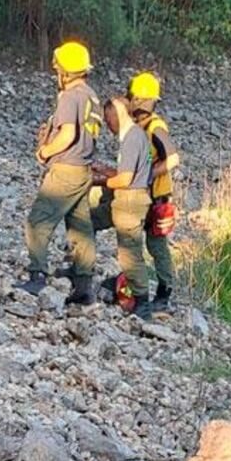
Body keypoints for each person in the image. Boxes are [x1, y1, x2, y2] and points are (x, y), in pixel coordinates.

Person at [17, 41, 103, 304]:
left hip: (66, 169)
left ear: (66, 71)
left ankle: (36, 276)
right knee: (80, 228)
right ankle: (83, 284)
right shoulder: (91, 96)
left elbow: (67, 135)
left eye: (58, 70)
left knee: (38, 220)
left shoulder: (69, 96)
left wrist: (45, 152)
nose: (56, 75)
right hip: (83, 170)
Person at [91, 97, 154, 320]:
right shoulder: (136, 135)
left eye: (109, 120)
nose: (108, 126)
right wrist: (106, 171)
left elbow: (126, 179)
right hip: (131, 199)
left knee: (129, 254)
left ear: (117, 114)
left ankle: (142, 301)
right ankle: (81, 268)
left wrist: (99, 182)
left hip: (129, 202)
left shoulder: (131, 138)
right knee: (90, 221)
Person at [127, 72, 180, 311]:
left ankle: (164, 291)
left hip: (157, 198)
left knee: (156, 246)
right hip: (143, 195)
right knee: (134, 241)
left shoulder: (155, 128)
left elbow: (173, 158)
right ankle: (134, 282)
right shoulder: (139, 127)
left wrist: (147, 175)